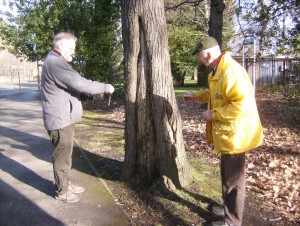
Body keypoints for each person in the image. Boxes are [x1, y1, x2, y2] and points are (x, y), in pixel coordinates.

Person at [184, 37, 263, 226]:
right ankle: (228, 209)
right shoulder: (217, 72)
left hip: (236, 135)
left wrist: (215, 114)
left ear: (209, 55)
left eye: (202, 59)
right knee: (227, 177)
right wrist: (194, 97)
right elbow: (213, 94)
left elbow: (242, 105)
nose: (201, 62)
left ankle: (232, 221)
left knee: (234, 181)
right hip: (228, 134)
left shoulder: (231, 72)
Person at [41, 32, 115, 203]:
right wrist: (104, 87)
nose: (73, 52)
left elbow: (70, 88)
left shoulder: (56, 61)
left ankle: (66, 184)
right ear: (60, 46)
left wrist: (85, 96)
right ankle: (62, 191)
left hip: (63, 118)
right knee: (62, 157)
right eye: (71, 48)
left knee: (67, 155)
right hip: (59, 121)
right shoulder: (55, 63)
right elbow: (78, 82)